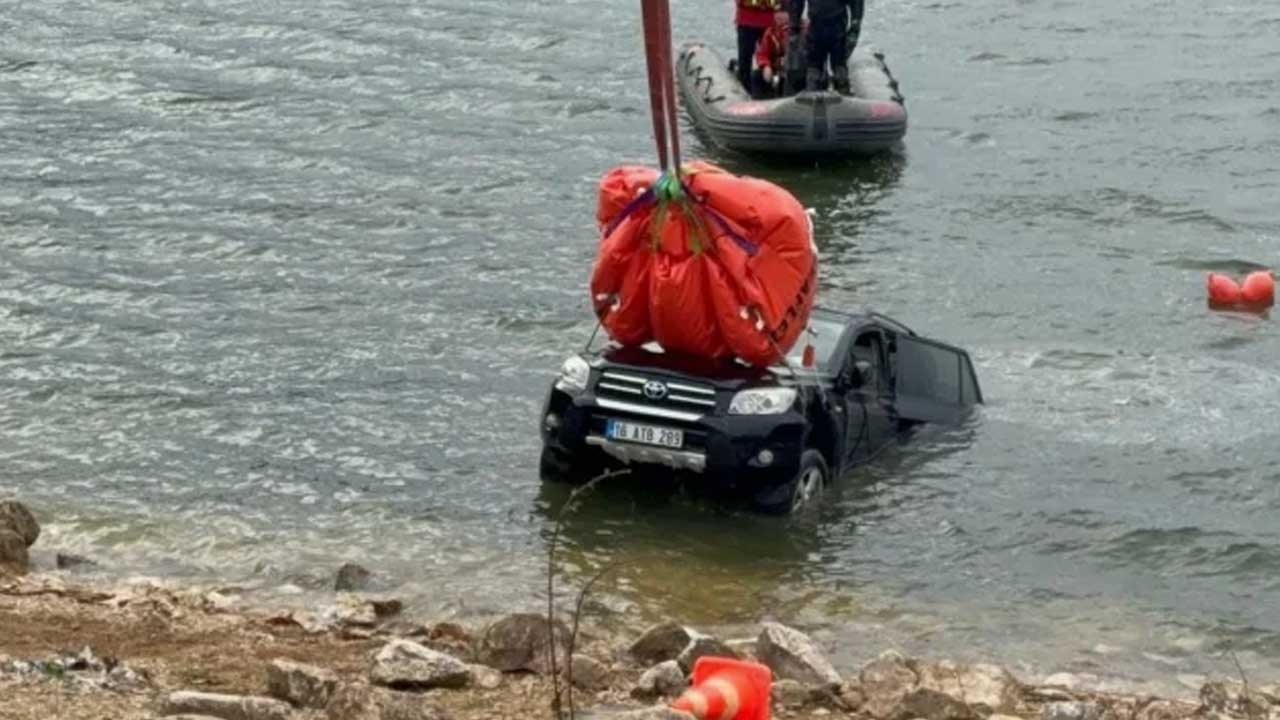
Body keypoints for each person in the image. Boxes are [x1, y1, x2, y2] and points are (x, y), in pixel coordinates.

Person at [789, 0, 864, 93]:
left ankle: (843, 93)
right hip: (816, 30)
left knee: (840, 72)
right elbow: (797, 3)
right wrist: (794, 28)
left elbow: (857, 4)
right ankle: (812, 95)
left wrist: (854, 27)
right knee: (814, 72)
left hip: (838, 29)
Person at [751, 10, 803, 98]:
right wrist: (766, 66)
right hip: (777, 69)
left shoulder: (805, 32)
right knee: (757, 75)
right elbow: (762, 53)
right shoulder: (771, 33)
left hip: (798, 71)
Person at [735, 0, 782, 91]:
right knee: (745, 61)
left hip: (770, 22)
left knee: (772, 60)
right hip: (747, 21)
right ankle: (745, 89)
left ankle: (769, 89)